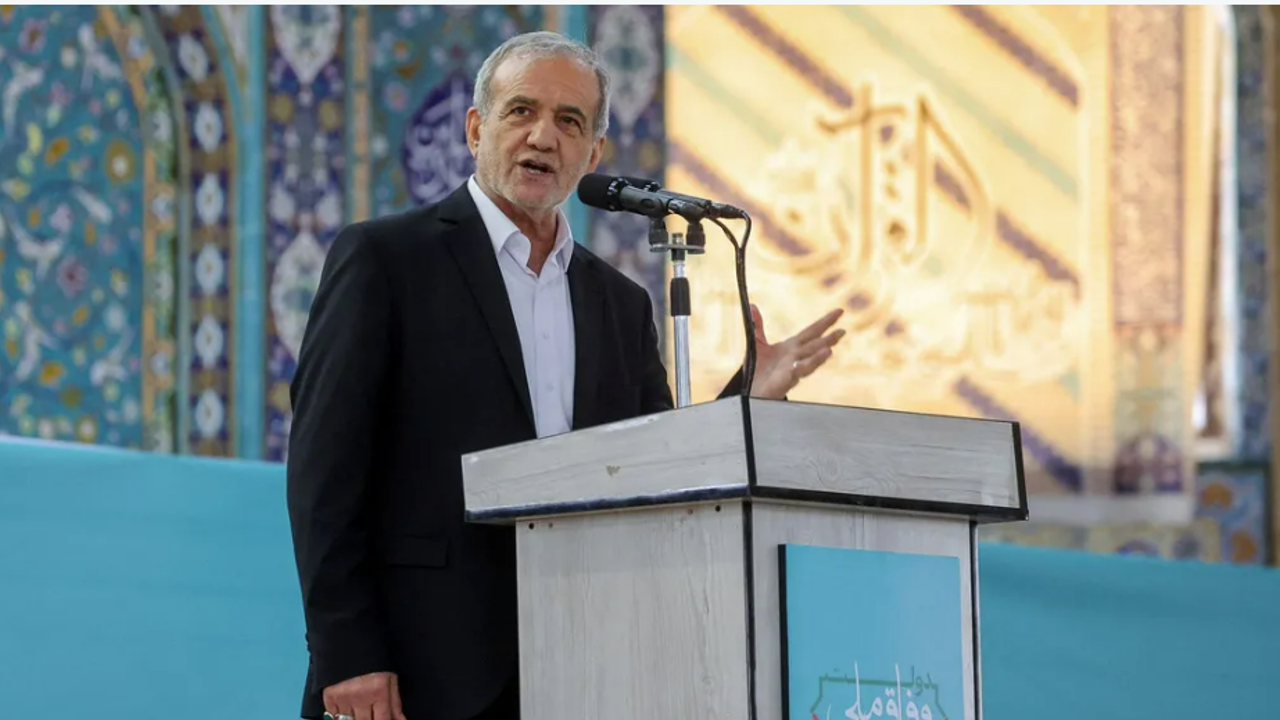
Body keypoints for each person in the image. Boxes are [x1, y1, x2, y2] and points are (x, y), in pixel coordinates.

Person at [285, 30, 845, 720]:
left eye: (570, 121)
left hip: (580, 662)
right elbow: (324, 470)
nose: (543, 137)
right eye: (522, 111)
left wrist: (745, 398)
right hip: (418, 669)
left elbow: (655, 469)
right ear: (475, 128)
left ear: (593, 155)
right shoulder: (386, 259)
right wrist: (347, 651)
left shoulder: (619, 303)